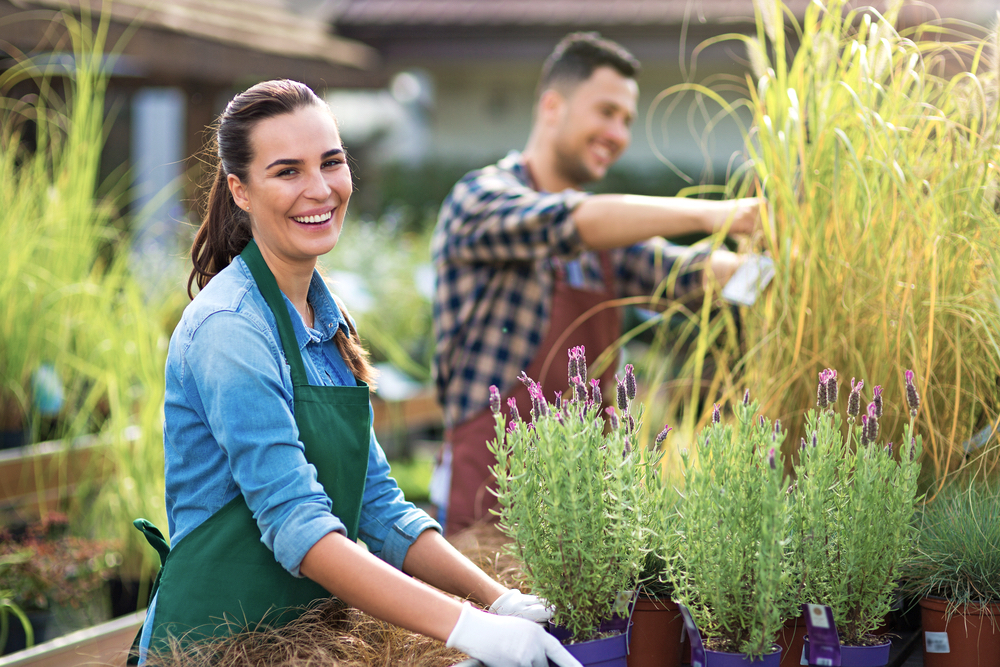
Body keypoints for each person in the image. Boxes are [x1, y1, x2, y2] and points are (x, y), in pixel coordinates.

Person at [131, 79, 581, 667]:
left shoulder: (325, 314)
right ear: (239, 191)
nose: (319, 189)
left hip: (302, 639)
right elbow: (300, 527)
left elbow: (379, 505)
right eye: (287, 171)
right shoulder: (230, 328)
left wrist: (500, 602)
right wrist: (469, 629)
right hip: (214, 648)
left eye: (331, 162)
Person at [432, 32, 763, 535]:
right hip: (490, 493)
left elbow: (686, 273)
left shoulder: (609, 242)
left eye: (627, 120)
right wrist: (728, 214)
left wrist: (778, 270)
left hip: (584, 507)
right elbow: (570, 221)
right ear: (552, 105)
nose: (618, 132)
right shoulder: (480, 198)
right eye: (606, 111)